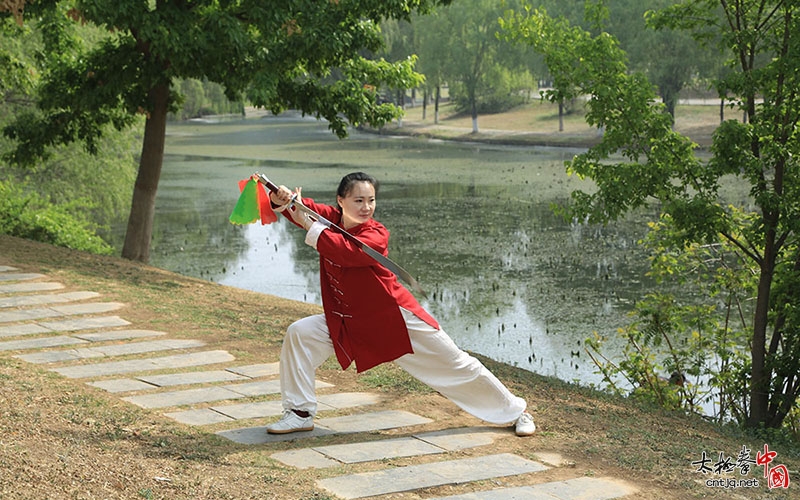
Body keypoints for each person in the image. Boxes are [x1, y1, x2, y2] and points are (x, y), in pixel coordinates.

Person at [265, 172, 535, 437]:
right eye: (358, 201)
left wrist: (308, 223)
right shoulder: (331, 219)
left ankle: (517, 412)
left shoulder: (377, 233)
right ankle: (299, 413)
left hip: (395, 318)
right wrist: (282, 197)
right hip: (351, 321)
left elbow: (346, 253)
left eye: (371, 200)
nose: (366, 207)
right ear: (341, 200)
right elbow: (301, 209)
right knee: (300, 333)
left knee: (458, 365)